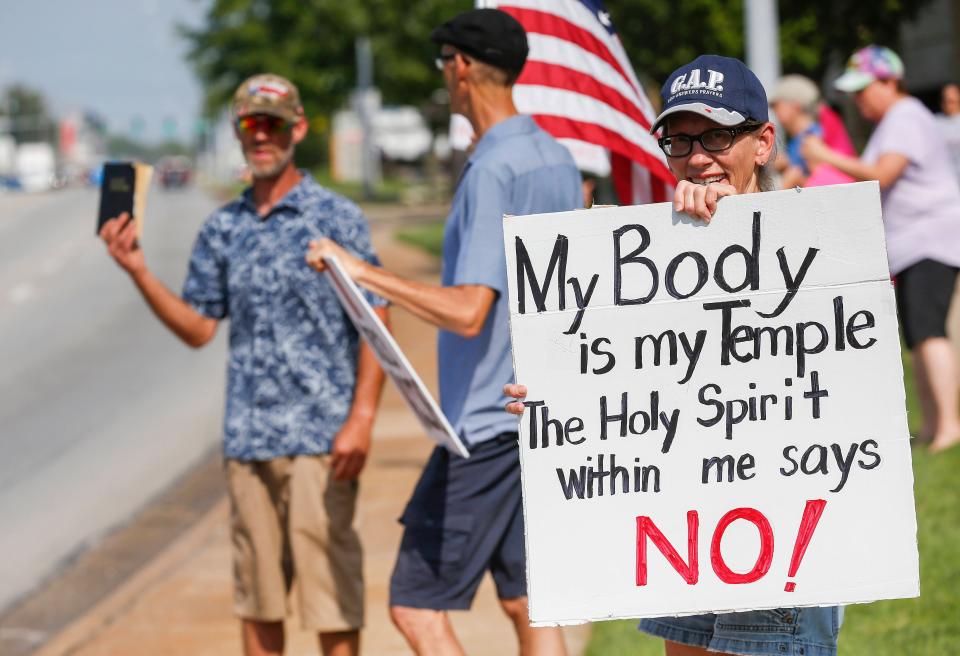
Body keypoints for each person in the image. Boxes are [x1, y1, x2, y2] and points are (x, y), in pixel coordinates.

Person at [507, 55, 843, 656]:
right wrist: (558, 404)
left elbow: (818, 362)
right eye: (680, 139)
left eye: (717, 134)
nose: (697, 155)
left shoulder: (812, 236)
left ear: (763, 142)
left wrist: (725, 227)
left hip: (778, 533)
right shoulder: (657, 259)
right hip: (685, 529)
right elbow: (639, 372)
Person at [306, 8, 581, 655]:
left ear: (460, 67)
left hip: (484, 425)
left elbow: (466, 310)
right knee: (527, 601)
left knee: (415, 604)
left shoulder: (492, 170)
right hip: (541, 420)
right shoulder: (559, 160)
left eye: (443, 65)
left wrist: (363, 272)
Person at [99, 74, 387, 656]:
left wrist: (361, 418)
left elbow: (374, 327)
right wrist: (136, 269)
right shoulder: (222, 227)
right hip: (248, 441)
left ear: (297, 129)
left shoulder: (336, 216)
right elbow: (200, 328)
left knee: (332, 604)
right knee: (258, 607)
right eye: (251, 125)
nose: (262, 137)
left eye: (273, 124)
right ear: (237, 133)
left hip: (321, 441)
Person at [802, 45, 960, 453]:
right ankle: (932, 427)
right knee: (920, 337)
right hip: (913, 243)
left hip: (930, 238)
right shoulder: (897, 120)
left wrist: (826, 157)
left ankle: (949, 426)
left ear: (890, 82)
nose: (858, 99)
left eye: (864, 88)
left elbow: (882, 175)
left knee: (930, 333)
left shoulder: (905, 116)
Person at [769, 74, 854, 188]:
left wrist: (795, 180)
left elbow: (824, 183)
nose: (774, 111)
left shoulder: (813, 138)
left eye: (776, 105)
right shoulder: (801, 138)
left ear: (796, 105)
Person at [936, 82, 960, 182]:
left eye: (951, 101)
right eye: (945, 100)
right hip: (945, 182)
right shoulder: (934, 121)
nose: (947, 103)